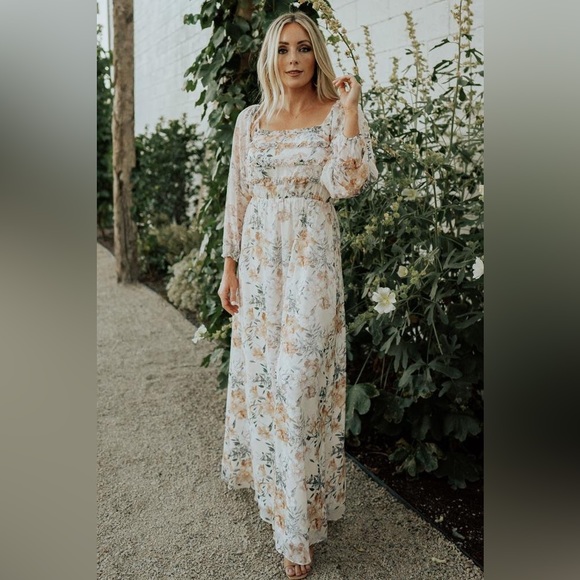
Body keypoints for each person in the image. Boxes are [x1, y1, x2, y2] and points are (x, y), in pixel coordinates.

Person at [218, 11, 378, 579]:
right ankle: (286, 513)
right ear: (271, 56)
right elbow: (238, 195)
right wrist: (229, 267)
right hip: (260, 264)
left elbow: (348, 183)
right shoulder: (250, 121)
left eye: (304, 48)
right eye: (284, 48)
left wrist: (352, 110)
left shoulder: (336, 112)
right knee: (267, 377)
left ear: (316, 56)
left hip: (312, 262)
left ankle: (297, 523)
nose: (293, 59)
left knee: (298, 379)